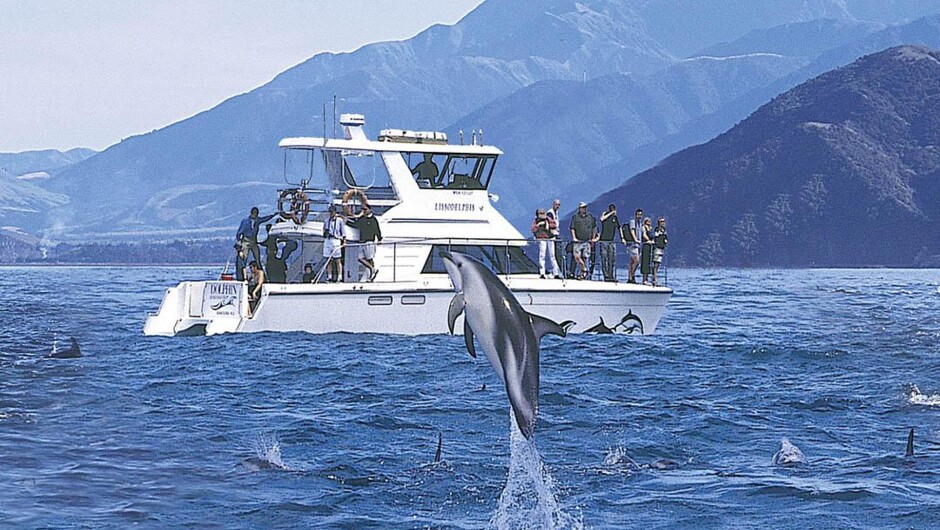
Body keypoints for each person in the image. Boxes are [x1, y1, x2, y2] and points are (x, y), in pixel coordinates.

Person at [345, 203, 383, 282]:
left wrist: (379, 238)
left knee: (370, 258)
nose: (364, 211)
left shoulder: (373, 219)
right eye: (363, 209)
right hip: (362, 241)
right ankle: (372, 269)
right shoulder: (362, 219)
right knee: (360, 258)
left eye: (365, 209)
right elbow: (355, 225)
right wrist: (346, 221)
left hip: (369, 241)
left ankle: (371, 275)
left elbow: (377, 230)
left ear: (369, 209)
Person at [569, 202, 597, 280]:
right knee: (577, 257)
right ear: (579, 208)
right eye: (582, 207)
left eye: (585, 207)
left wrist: (593, 239)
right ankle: (584, 269)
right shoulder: (575, 217)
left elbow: (594, 228)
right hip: (578, 241)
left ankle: (581, 274)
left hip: (587, 241)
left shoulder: (590, 217)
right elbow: (572, 228)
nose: (584, 209)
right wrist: (574, 237)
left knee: (585, 257)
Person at [531, 208, 560, 279]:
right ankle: (542, 273)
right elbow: (533, 229)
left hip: (550, 238)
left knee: (552, 256)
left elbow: (554, 225)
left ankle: (556, 273)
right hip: (542, 239)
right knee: (542, 255)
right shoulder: (536, 221)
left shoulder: (548, 219)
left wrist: (546, 223)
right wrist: (539, 225)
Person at [598, 204, 622, 282]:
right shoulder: (605, 215)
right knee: (604, 258)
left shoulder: (615, 218)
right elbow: (601, 219)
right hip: (604, 240)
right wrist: (610, 213)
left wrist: (622, 238)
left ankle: (611, 275)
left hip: (611, 241)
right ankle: (606, 276)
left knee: (611, 259)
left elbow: (619, 227)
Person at [323, 205, 346, 282]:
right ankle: (329, 276)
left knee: (337, 259)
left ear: (335, 212)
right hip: (328, 240)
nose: (330, 213)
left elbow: (343, 231)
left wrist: (344, 240)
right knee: (329, 260)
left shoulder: (339, 220)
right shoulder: (326, 220)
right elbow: (324, 230)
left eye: (332, 212)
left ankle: (339, 276)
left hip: (336, 239)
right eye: (329, 212)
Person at [622, 208, 643, 283]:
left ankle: (630, 278)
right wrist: (635, 240)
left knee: (632, 261)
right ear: (635, 214)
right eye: (638, 214)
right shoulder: (633, 222)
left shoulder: (640, 223)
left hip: (637, 245)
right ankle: (632, 275)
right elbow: (632, 231)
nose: (639, 216)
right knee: (636, 260)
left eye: (640, 215)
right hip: (633, 244)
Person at [546, 199, 565, 277]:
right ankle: (555, 271)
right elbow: (550, 224)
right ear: (553, 204)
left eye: (559, 205)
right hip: (551, 236)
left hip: (556, 235)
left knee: (557, 254)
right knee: (552, 254)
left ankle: (557, 270)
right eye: (557, 204)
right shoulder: (550, 213)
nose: (558, 206)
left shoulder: (556, 213)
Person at [652, 217, 668, 286]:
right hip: (657, 248)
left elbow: (665, 238)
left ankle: (655, 279)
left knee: (658, 264)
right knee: (655, 264)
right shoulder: (657, 229)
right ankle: (654, 280)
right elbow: (656, 237)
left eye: (664, 221)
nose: (663, 223)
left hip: (662, 248)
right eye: (662, 221)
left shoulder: (664, 230)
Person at [640, 217, 654, 285]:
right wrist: (648, 240)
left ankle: (648, 279)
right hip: (646, 245)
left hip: (651, 247)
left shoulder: (651, 228)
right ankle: (644, 279)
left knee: (649, 262)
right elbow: (644, 234)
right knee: (645, 262)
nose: (649, 222)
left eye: (649, 221)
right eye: (647, 221)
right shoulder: (644, 227)